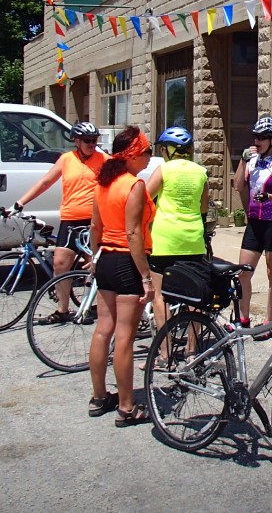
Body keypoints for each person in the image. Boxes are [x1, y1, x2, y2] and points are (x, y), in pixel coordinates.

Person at [86, 126, 156, 426]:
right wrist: (146, 276)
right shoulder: (133, 185)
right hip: (127, 261)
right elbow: (133, 233)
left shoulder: (103, 182)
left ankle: (99, 396)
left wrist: (92, 257)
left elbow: (94, 227)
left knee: (104, 329)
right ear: (132, 155)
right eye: (146, 152)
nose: (149, 158)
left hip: (105, 259)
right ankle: (127, 407)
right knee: (125, 336)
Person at [15, 121, 106, 324]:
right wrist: (21, 202)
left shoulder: (104, 160)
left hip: (94, 221)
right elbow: (45, 182)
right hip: (70, 220)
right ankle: (62, 310)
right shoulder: (66, 159)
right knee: (60, 264)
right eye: (87, 141)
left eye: (94, 140)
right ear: (76, 141)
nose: (92, 144)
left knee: (96, 266)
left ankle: (96, 308)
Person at [144, 126, 210, 339]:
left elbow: (144, 198)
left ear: (169, 150)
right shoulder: (201, 172)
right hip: (192, 240)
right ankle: (192, 351)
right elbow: (203, 207)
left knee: (160, 297)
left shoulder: (164, 170)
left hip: (165, 241)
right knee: (194, 297)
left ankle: (165, 352)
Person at [231, 115, 272, 330]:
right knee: (243, 273)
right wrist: (242, 160)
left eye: (262, 138)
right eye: (255, 137)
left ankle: (270, 322)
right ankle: (244, 319)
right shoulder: (252, 160)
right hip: (255, 222)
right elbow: (238, 186)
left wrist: (269, 197)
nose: (257, 141)